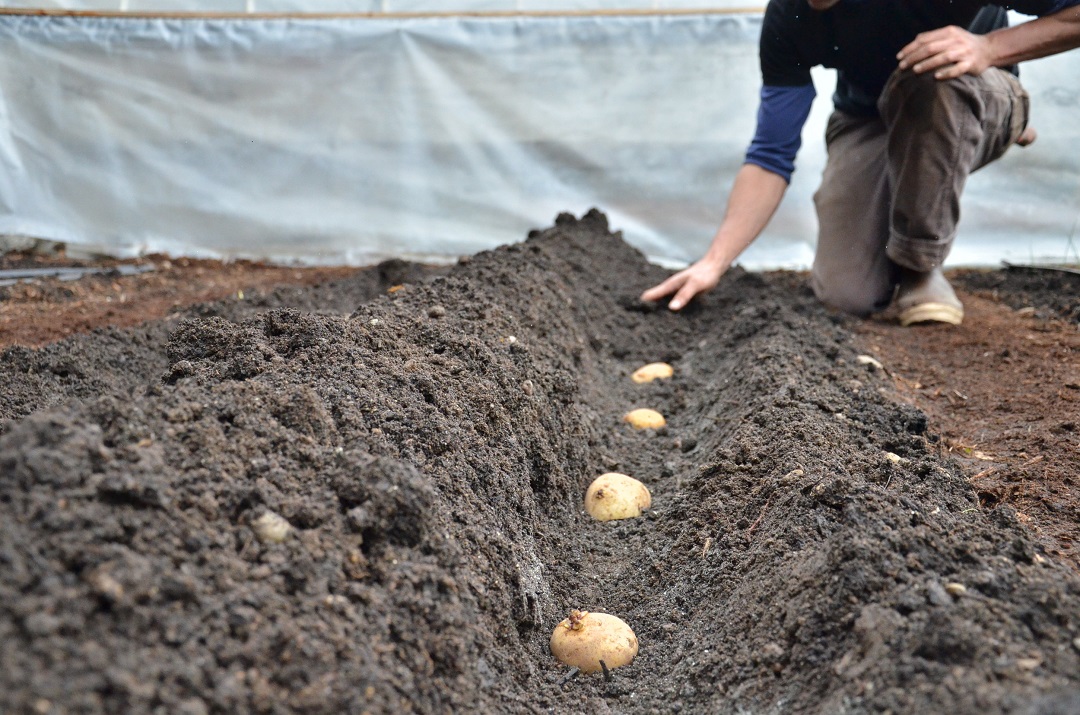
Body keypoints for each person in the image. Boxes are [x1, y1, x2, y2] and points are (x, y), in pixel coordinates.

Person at [641, 0, 1080, 325]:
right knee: (845, 294)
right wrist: (713, 262)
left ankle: (919, 267)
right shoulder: (788, 17)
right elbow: (770, 154)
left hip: (966, 90)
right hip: (868, 116)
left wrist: (989, 47)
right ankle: (900, 225)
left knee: (935, 70)